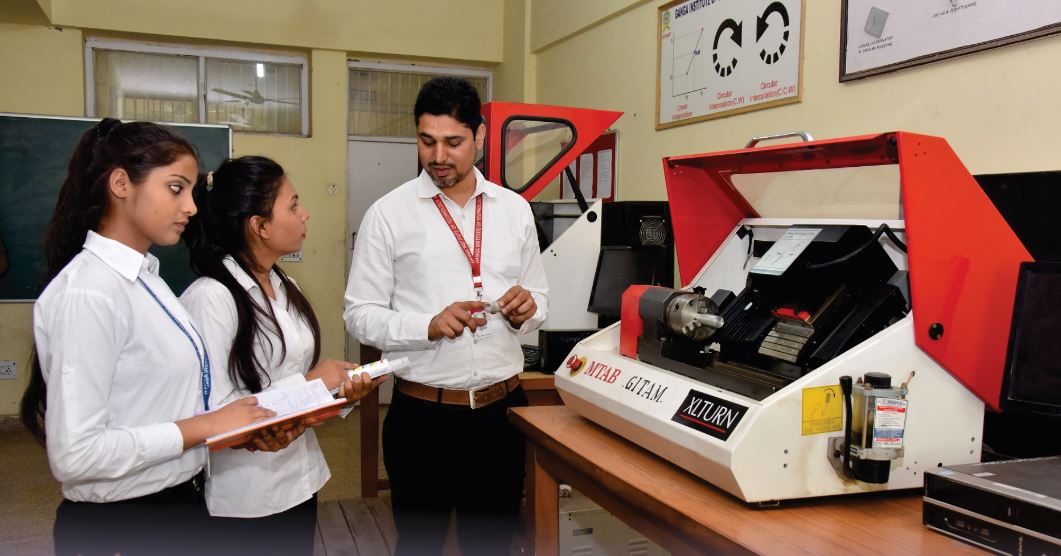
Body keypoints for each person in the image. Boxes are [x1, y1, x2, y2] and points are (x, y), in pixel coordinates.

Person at [19, 118, 276, 556]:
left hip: (176, 503)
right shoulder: (89, 292)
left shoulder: (146, 278)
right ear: (121, 184)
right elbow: (75, 455)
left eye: (192, 191)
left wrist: (238, 427)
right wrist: (205, 426)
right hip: (122, 524)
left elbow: (156, 403)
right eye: (176, 188)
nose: (192, 207)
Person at [344, 77, 549, 555]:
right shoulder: (388, 215)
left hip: (501, 415)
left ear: (479, 136)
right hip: (422, 419)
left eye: (453, 142)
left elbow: (540, 295)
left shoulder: (514, 211)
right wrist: (426, 326)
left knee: (493, 543)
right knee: (419, 545)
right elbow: (359, 315)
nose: (438, 156)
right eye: (426, 141)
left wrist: (527, 311)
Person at [180, 155, 383, 555]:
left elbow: (287, 380)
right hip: (246, 498)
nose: (304, 215)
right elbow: (214, 416)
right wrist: (311, 383)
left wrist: (340, 395)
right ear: (260, 226)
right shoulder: (211, 298)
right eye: (292, 206)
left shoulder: (284, 284)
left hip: (299, 480)